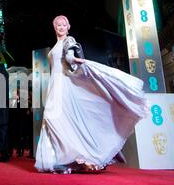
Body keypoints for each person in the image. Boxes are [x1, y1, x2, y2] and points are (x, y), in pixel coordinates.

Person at [35, 15, 148, 174]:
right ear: (54, 27)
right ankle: (62, 158)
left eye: (63, 25)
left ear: (68, 27)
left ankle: (69, 157)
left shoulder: (69, 40)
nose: (60, 27)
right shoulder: (55, 45)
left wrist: (74, 60)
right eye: (58, 25)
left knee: (55, 118)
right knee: (57, 120)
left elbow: (69, 56)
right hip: (55, 85)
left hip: (64, 85)